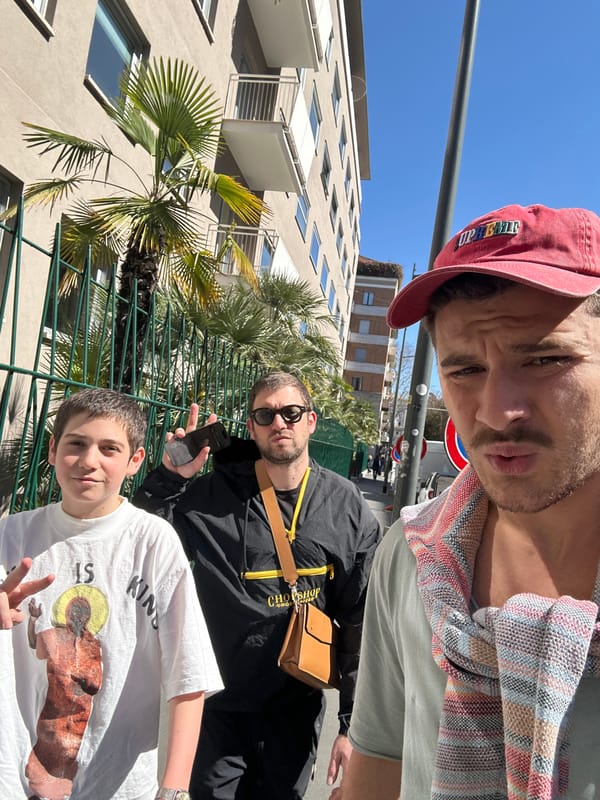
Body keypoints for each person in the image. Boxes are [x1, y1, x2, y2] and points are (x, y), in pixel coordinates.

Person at [335, 204, 600, 800]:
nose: (496, 410)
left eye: (545, 359)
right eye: (465, 369)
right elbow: (381, 756)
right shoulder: (410, 555)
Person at [134, 371, 382, 799]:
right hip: (218, 705)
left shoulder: (346, 507)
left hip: (296, 707)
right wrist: (172, 478)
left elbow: (363, 621)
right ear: (251, 427)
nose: (278, 423)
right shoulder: (212, 496)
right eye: (265, 415)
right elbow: (139, 539)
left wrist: (352, 725)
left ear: (311, 421)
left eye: (291, 412)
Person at [0, 388, 223, 800]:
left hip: (116, 781)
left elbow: (188, 675)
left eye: (109, 448)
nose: (89, 461)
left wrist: (173, 788)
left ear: (134, 461)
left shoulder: (153, 542)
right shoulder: (11, 535)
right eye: (77, 444)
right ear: (52, 450)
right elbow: (34, 644)